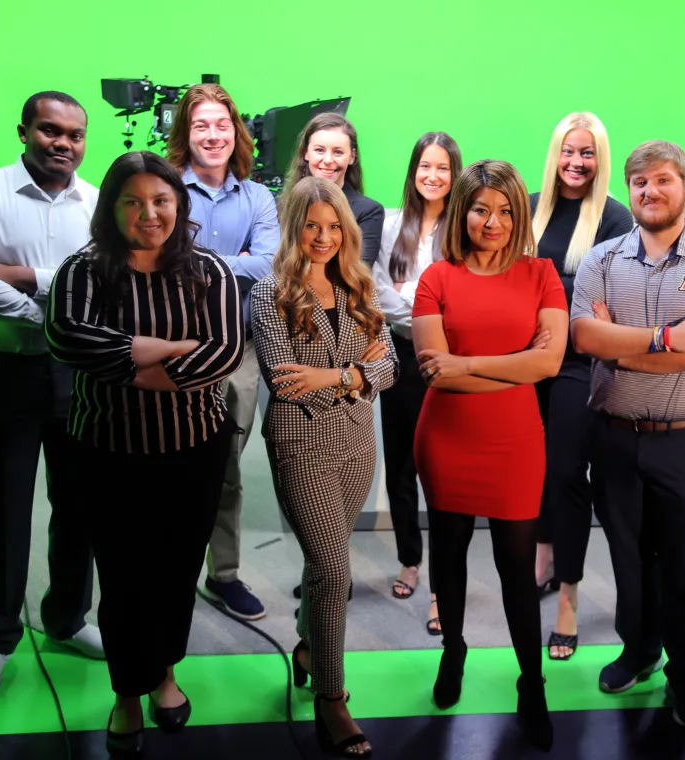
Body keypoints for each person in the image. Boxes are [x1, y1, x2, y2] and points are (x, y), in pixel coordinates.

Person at [46, 151, 244, 755]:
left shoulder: (210, 270)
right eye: (132, 201)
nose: (149, 213)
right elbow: (67, 338)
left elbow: (224, 353)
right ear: (111, 208)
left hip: (193, 452)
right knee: (124, 572)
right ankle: (126, 691)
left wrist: (125, 363)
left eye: (161, 200)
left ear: (178, 204)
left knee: (176, 570)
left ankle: (163, 675)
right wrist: (162, 349)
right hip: (109, 452)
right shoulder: (84, 269)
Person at [570, 140, 685, 730]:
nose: (650, 192)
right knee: (628, 557)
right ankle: (638, 651)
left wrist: (622, 346)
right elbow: (586, 340)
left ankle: (684, 676)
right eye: (639, 182)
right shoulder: (602, 259)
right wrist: (666, 340)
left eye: (663, 180)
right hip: (614, 436)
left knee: (683, 563)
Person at [0, 90, 102, 698]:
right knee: (4, 512)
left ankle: (67, 618)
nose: (63, 143)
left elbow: (105, 286)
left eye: (74, 134)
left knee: (78, 509)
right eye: (49, 131)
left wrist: (22, 276)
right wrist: (60, 309)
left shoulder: (95, 203)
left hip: (79, 379)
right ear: (24, 131)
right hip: (5, 373)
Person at [412, 160, 567, 751]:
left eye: (505, 210)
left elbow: (549, 364)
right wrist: (512, 365)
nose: (492, 220)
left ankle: (533, 683)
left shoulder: (542, 273)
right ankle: (453, 650)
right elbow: (435, 372)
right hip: (447, 438)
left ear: (519, 215)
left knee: (514, 568)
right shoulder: (439, 277)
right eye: (481, 208)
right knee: (447, 557)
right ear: (463, 211)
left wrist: (468, 364)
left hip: (516, 441)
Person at [252, 177, 398, 759]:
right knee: (334, 569)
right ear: (294, 227)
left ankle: (310, 649)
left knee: (324, 566)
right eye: (312, 225)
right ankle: (332, 698)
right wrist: (353, 374)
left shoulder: (359, 288)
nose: (323, 236)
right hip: (300, 442)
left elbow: (387, 368)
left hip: (358, 443)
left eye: (334, 227)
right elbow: (286, 383)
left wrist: (340, 377)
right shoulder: (270, 294)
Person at [166, 82, 280, 621]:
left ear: (237, 132)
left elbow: (270, 264)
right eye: (200, 126)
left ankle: (223, 575)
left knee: (225, 470)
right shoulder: (166, 191)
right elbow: (160, 261)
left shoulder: (258, 197)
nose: (213, 135)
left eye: (222, 125)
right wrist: (230, 261)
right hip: (172, 349)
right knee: (167, 465)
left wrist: (200, 262)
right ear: (185, 135)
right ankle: (169, 572)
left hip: (239, 351)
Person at [528, 112, 634, 661]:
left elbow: (600, 300)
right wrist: (561, 290)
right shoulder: (526, 206)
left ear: (600, 158)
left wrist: (546, 290)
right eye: (568, 151)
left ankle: (568, 597)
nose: (576, 162)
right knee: (533, 470)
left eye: (587, 153)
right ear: (555, 153)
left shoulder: (615, 218)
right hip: (524, 360)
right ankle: (543, 561)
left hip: (576, 362)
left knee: (568, 472)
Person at [372, 131, 463, 635]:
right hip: (402, 358)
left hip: (450, 361)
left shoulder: (463, 229)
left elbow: (465, 297)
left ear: (455, 174)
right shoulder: (390, 225)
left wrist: (419, 301)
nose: (432, 176)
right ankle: (410, 558)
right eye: (425, 166)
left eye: (442, 168)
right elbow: (379, 292)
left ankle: (441, 587)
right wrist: (429, 306)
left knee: (444, 472)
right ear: (413, 171)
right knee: (401, 467)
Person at [286, 113, 384, 266]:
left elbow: (358, 270)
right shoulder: (281, 205)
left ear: (352, 156)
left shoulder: (369, 211)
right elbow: (272, 262)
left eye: (338, 152)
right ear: (306, 153)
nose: (328, 160)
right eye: (319, 150)